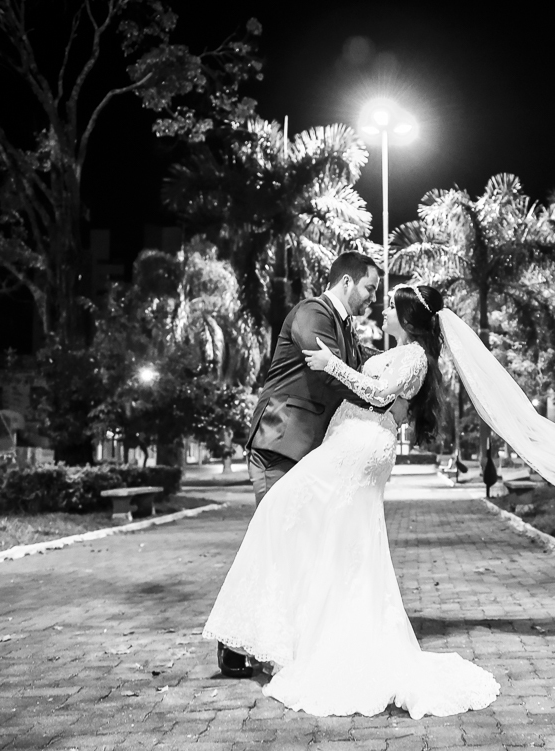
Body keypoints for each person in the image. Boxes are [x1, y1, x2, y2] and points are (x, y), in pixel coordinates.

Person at [204, 284, 500, 718]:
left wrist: (331, 364)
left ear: (408, 315)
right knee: (338, 542)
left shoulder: (415, 355)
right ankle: (309, 633)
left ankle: (295, 638)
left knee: (282, 507)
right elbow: (380, 391)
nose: (382, 310)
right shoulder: (398, 351)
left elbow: (379, 395)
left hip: (359, 448)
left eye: (390, 306)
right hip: (351, 442)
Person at [219, 251, 399, 678]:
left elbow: (358, 358)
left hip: (306, 452)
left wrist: (404, 359)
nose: (372, 299)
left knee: (292, 544)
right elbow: (331, 372)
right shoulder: (312, 313)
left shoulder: (343, 326)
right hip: (278, 443)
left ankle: (272, 638)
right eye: (370, 288)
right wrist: (383, 394)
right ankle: (232, 643)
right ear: (347, 282)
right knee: (274, 542)